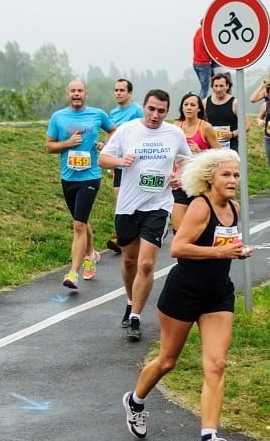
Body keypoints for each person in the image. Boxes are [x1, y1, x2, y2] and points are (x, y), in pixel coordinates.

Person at [121, 149, 253, 441]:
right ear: (210, 178)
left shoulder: (233, 208)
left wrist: (238, 249)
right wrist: (221, 254)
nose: (233, 180)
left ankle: (209, 439)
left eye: (236, 174)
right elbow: (179, 248)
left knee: (216, 364)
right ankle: (135, 402)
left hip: (218, 294)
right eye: (226, 174)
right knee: (167, 361)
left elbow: (224, 244)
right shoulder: (200, 207)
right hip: (183, 293)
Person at [98, 89, 192, 340]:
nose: (155, 115)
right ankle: (130, 301)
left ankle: (136, 317)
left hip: (158, 205)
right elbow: (102, 158)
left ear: (167, 111)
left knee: (147, 262)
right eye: (151, 109)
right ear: (144, 106)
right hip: (128, 206)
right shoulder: (127, 130)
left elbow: (186, 160)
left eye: (161, 111)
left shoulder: (174, 133)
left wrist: (178, 175)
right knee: (129, 260)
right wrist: (120, 161)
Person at [46, 80, 116, 289]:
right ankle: (90, 254)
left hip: (90, 176)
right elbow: (49, 147)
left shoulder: (97, 114)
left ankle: (72, 273)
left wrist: (106, 144)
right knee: (82, 221)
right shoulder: (58, 117)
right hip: (68, 177)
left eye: (80, 91)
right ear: (68, 94)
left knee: (78, 225)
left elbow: (114, 131)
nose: (77, 94)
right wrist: (67, 144)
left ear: (86, 93)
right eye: (73, 91)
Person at [171, 92, 220, 231]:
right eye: (186, 105)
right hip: (180, 183)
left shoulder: (205, 127)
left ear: (199, 108)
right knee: (178, 228)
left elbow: (220, 154)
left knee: (198, 228)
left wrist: (201, 153)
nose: (188, 108)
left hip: (199, 185)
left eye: (193, 105)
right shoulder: (175, 127)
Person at [106, 79, 144, 253]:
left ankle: (138, 231)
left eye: (122, 90)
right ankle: (120, 235)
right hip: (118, 163)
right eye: (116, 90)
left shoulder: (137, 110)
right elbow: (112, 135)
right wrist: (104, 147)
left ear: (130, 93)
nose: (118, 93)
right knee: (119, 197)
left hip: (135, 164)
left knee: (136, 199)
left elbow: (144, 132)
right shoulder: (112, 113)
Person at [204, 72, 249, 152]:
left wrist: (232, 134)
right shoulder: (205, 102)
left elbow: (247, 126)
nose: (218, 89)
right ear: (212, 87)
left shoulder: (235, 103)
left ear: (227, 86)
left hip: (231, 148)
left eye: (221, 86)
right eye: (216, 86)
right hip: (211, 148)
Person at [192, 20, 214, 101]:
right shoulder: (206, 35)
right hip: (204, 64)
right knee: (204, 89)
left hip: (196, 63)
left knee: (203, 87)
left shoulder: (198, 32)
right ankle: (199, 105)